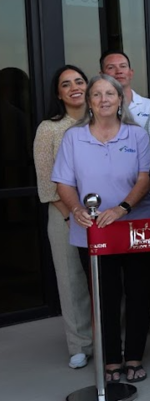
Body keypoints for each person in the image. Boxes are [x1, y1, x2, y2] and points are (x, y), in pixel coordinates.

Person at [52, 74, 150, 383]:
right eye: (96, 94)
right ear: (89, 102)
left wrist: (122, 208)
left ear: (119, 99)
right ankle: (111, 359)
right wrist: (76, 210)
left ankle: (135, 356)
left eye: (109, 94)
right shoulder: (74, 137)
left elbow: (145, 178)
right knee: (105, 296)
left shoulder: (136, 135)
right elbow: (63, 182)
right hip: (95, 231)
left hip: (137, 226)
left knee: (139, 293)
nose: (103, 99)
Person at [33, 65, 93, 369]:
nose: (74, 88)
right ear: (58, 93)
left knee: (106, 279)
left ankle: (108, 335)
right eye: (66, 84)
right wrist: (72, 216)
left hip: (103, 216)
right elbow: (46, 182)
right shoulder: (50, 128)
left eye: (79, 81)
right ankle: (80, 344)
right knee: (72, 281)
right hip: (64, 215)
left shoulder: (101, 122)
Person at [100, 50, 150, 128]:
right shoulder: (96, 108)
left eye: (123, 66)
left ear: (131, 73)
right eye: (111, 67)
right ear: (102, 75)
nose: (119, 71)